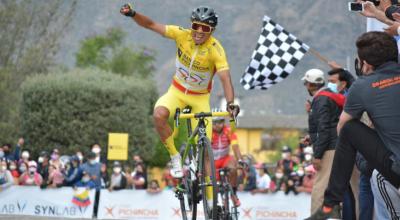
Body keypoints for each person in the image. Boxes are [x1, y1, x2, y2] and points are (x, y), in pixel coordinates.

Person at [120, 3, 240, 179]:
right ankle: (175, 156)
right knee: (158, 115)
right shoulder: (181, 34)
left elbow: (225, 79)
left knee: (207, 153)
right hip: (176, 92)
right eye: (195, 26)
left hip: (200, 99)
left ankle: (212, 202)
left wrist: (230, 104)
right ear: (191, 25)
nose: (199, 31)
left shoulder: (216, 50)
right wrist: (133, 14)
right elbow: (151, 25)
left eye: (204, 28)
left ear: (211, 31)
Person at [306, 31, 400, 219]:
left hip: (395, 168)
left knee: (349, 129)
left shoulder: (363, 86)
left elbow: (343, 127)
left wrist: (364, 158)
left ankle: (330, 204)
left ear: (366, 64)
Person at [302, 68, 344, 214]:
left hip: (329, 150)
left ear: (311, 84)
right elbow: (327, 125)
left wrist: (318, 155)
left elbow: (324, 129)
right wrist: (312, 138)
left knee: (319, 190)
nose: (305, 86)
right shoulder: (328, 96)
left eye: (306, 83)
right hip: (337, 146)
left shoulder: (321, 100)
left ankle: (316, 217)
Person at [211, 115, 244, 206]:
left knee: (233, 168)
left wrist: (240, 160)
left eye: (220, 122)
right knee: (213, 182)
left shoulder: (229, 131)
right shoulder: (209, 133)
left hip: (225, 158)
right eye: (215, 123)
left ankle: (233, 194)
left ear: (223, 122)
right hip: (212, 161)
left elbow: (235, 147)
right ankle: (215, 201)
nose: (217, 125)